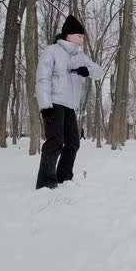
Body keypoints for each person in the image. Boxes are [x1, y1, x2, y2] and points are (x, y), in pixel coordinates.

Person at [35, 15, 103, 190]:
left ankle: (63, 179)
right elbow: (42, 78)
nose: (82, 39)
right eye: (79, 36)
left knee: (73, 142)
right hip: (54, 104)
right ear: (68, 35)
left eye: (83, 37)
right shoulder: (52, 51)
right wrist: (45, 106)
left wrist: (86, 71)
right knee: (55, 141)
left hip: (70, 106)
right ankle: (46, 183)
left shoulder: (80, 57)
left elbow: (99, 71)